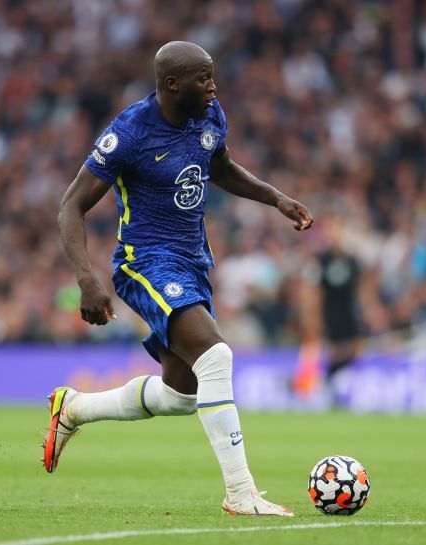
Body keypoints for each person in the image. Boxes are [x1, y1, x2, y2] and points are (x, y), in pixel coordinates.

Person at [45, 41, 313, 517]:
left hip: (192, 263)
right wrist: (86, 280)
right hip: (144, 261)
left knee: (182, 393)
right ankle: (241, 492)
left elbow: (222, 168)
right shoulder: (130, 132)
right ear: (172, 84)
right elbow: (72, 206)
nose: (213, 86)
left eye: (212, 77)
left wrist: (276, 198)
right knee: (217, 355)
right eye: (203, 78)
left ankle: (74, 409)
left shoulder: (209, 115)